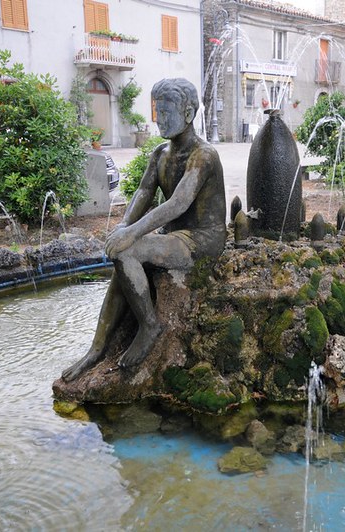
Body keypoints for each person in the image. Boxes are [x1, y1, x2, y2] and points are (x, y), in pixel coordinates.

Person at [62, 78, 226, 381]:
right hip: (173, 237)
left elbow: (178, 203)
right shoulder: (160, 154)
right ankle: (97, 349)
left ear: (188, 114)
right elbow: (143, 192)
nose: (158, 119)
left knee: (128, 251)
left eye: (165, 113)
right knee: (122, 253)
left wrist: (133, 233)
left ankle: (150, 325)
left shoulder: (203, 155)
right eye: (157, 112)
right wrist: (123, 225)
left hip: (201, 239)